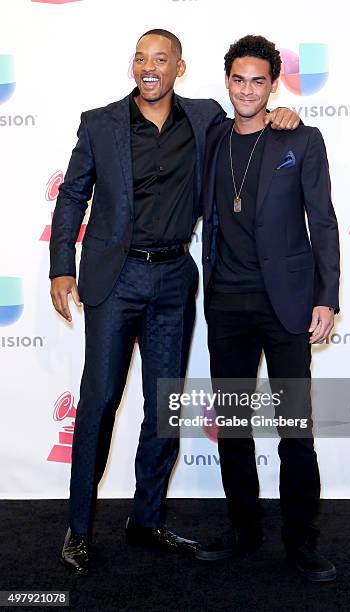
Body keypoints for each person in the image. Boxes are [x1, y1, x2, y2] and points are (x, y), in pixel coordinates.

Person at [49, 28, 300, 574]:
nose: (149, 66)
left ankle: (146, 519)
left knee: (162, 411)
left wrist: (287, 117)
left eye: (160, 59)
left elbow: (251, 121)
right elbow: (72, 195)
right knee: (98, 403)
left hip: (173, 280)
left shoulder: (205, 117)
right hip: (114, 280)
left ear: (178, 69)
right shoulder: (100, 123)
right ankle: (79, 527)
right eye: (141, 58)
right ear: (133, 66)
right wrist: (61, 268)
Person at [196, 35, 340, 582]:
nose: (248, 89)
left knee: (294, 428)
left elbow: (322, 221)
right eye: (239, 79)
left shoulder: (301, 139)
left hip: (287, 305)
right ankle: (244, 526)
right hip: (227, 303)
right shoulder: (211, 138)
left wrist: (327, 296)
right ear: (227, 81)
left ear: (273, 84)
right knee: (233, 425)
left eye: (260, 80)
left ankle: (302, 539)